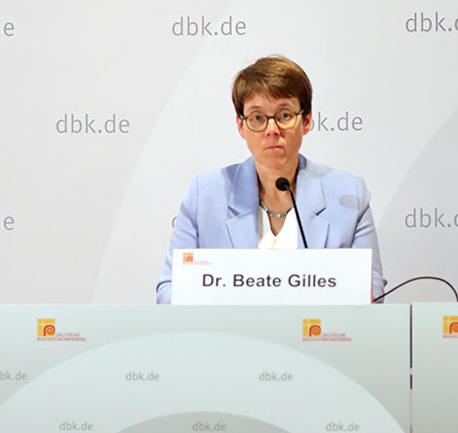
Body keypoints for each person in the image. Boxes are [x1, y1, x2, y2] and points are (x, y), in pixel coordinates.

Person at [156, 56, 385, 303]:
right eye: (257, 117)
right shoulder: (205, 195)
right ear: (241, 126)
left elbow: (372, 291)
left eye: (284, 115)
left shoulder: (348, 195)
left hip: (314, 337)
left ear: (306, 121)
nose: (272, 129)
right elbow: (168, 291)